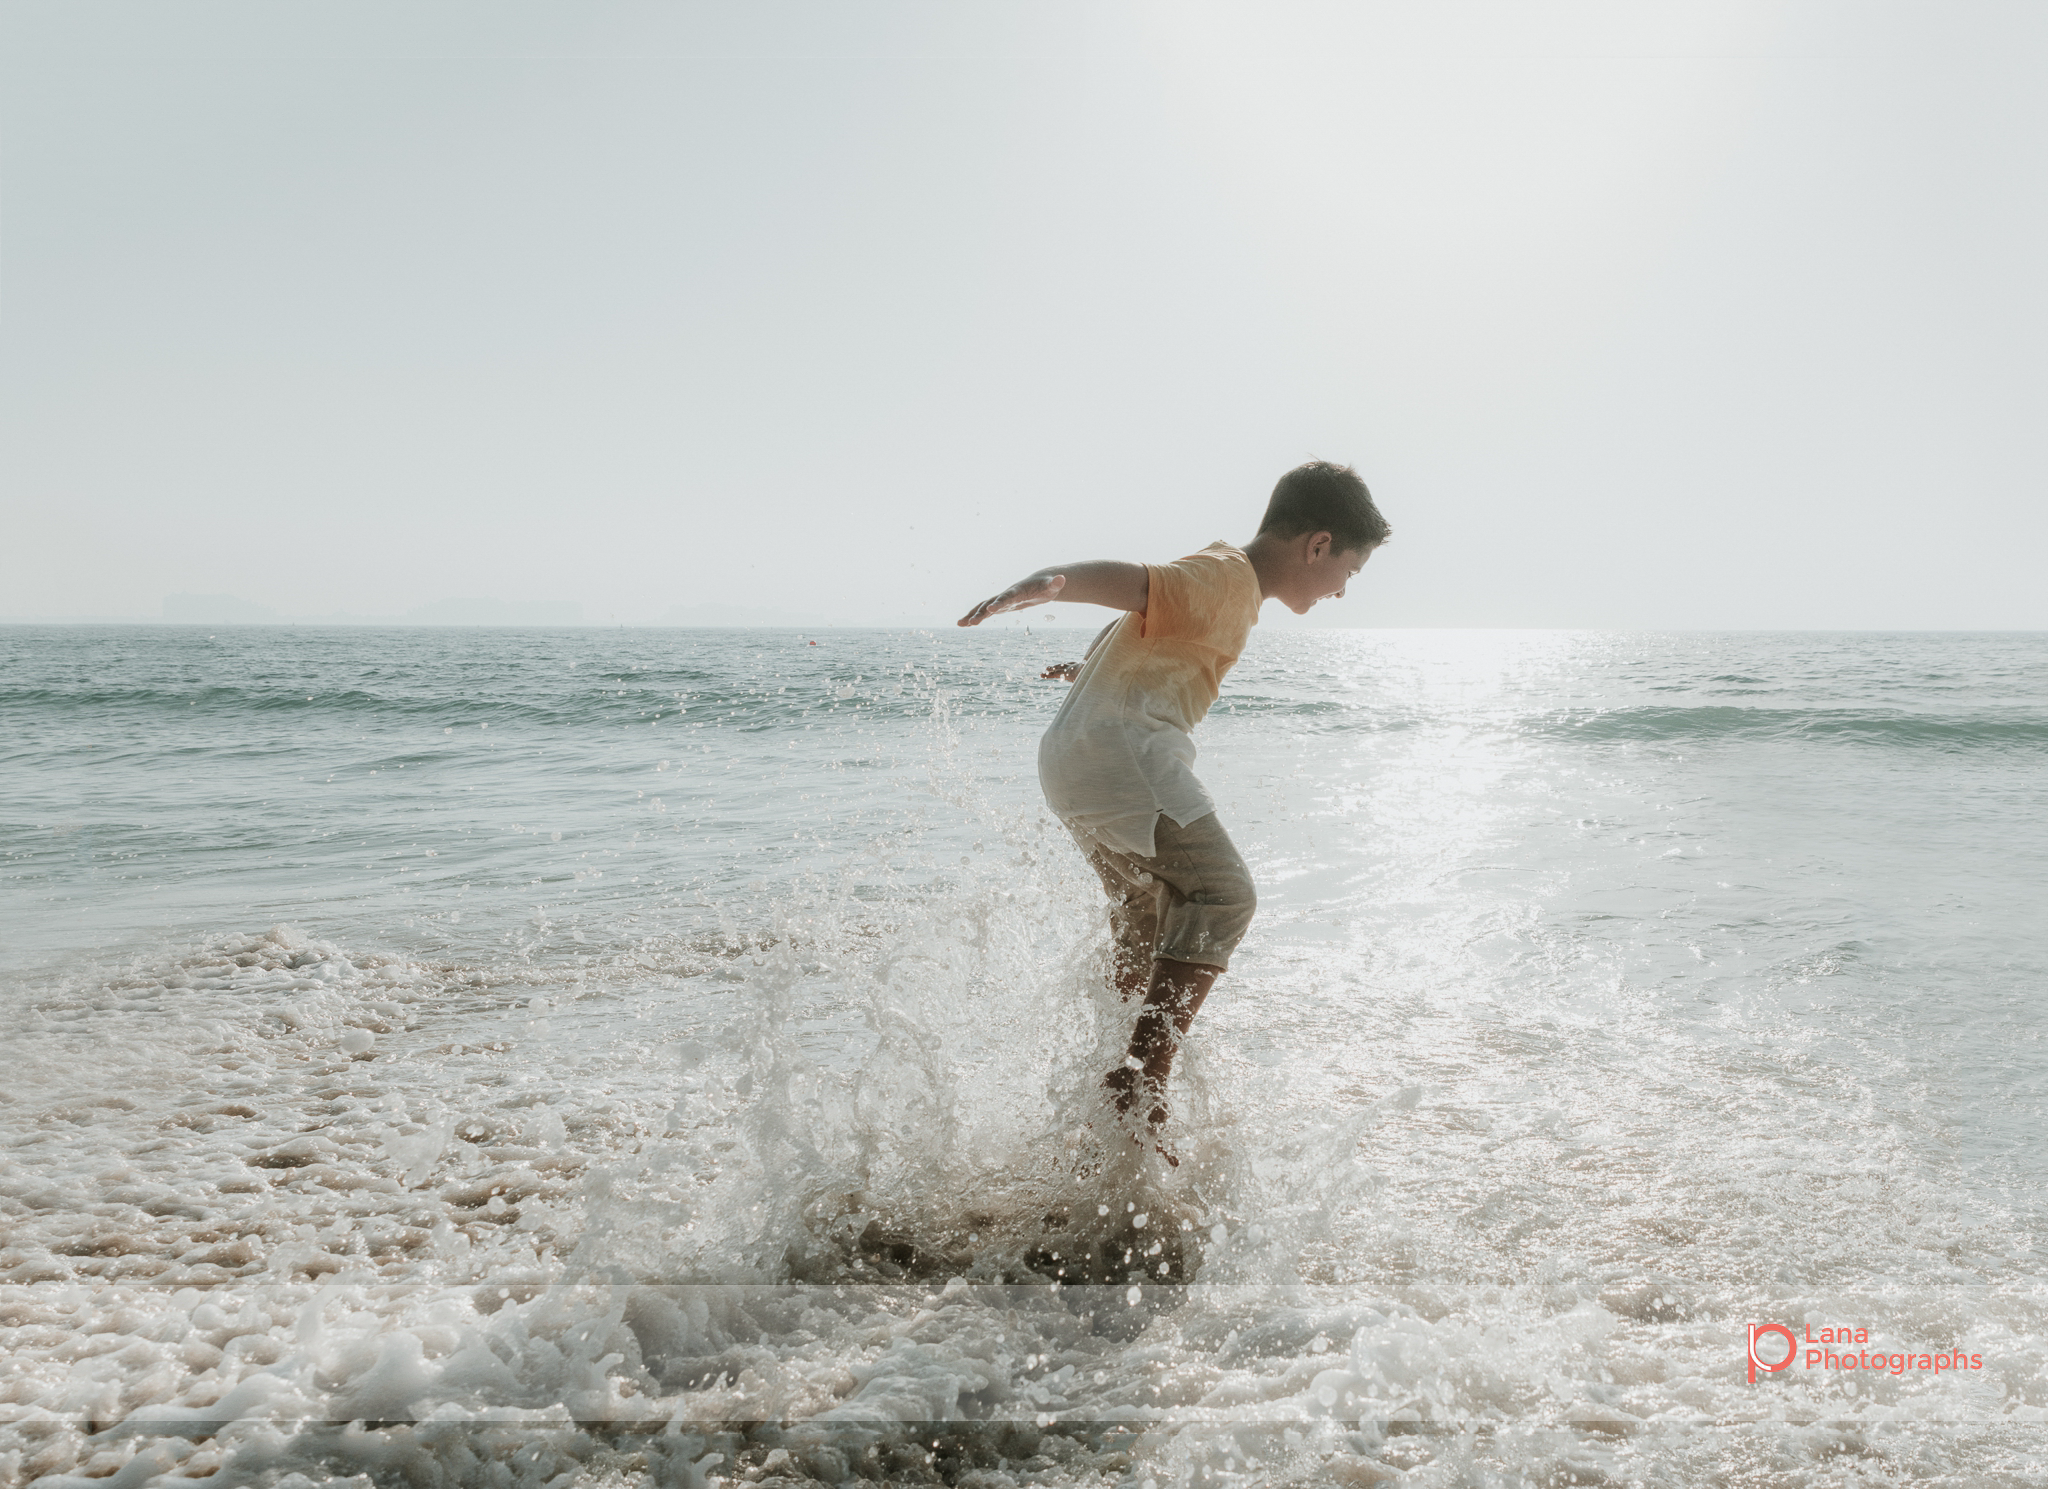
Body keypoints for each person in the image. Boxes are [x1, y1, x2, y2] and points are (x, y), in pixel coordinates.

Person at [957, 460, 1390, 1154]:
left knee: (1146, 918)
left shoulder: (1223, 575)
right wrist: (1047, 584)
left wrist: (1087, 668)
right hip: (1126, 756)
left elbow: (1142, 620)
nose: (1343, 588)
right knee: (1224, 895)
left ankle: (1107, 1106)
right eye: (1350, 569)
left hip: (1072, 761)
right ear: (1318, 544)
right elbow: (1136, 582)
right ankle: (1138, 1081)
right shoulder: (1229, 580)